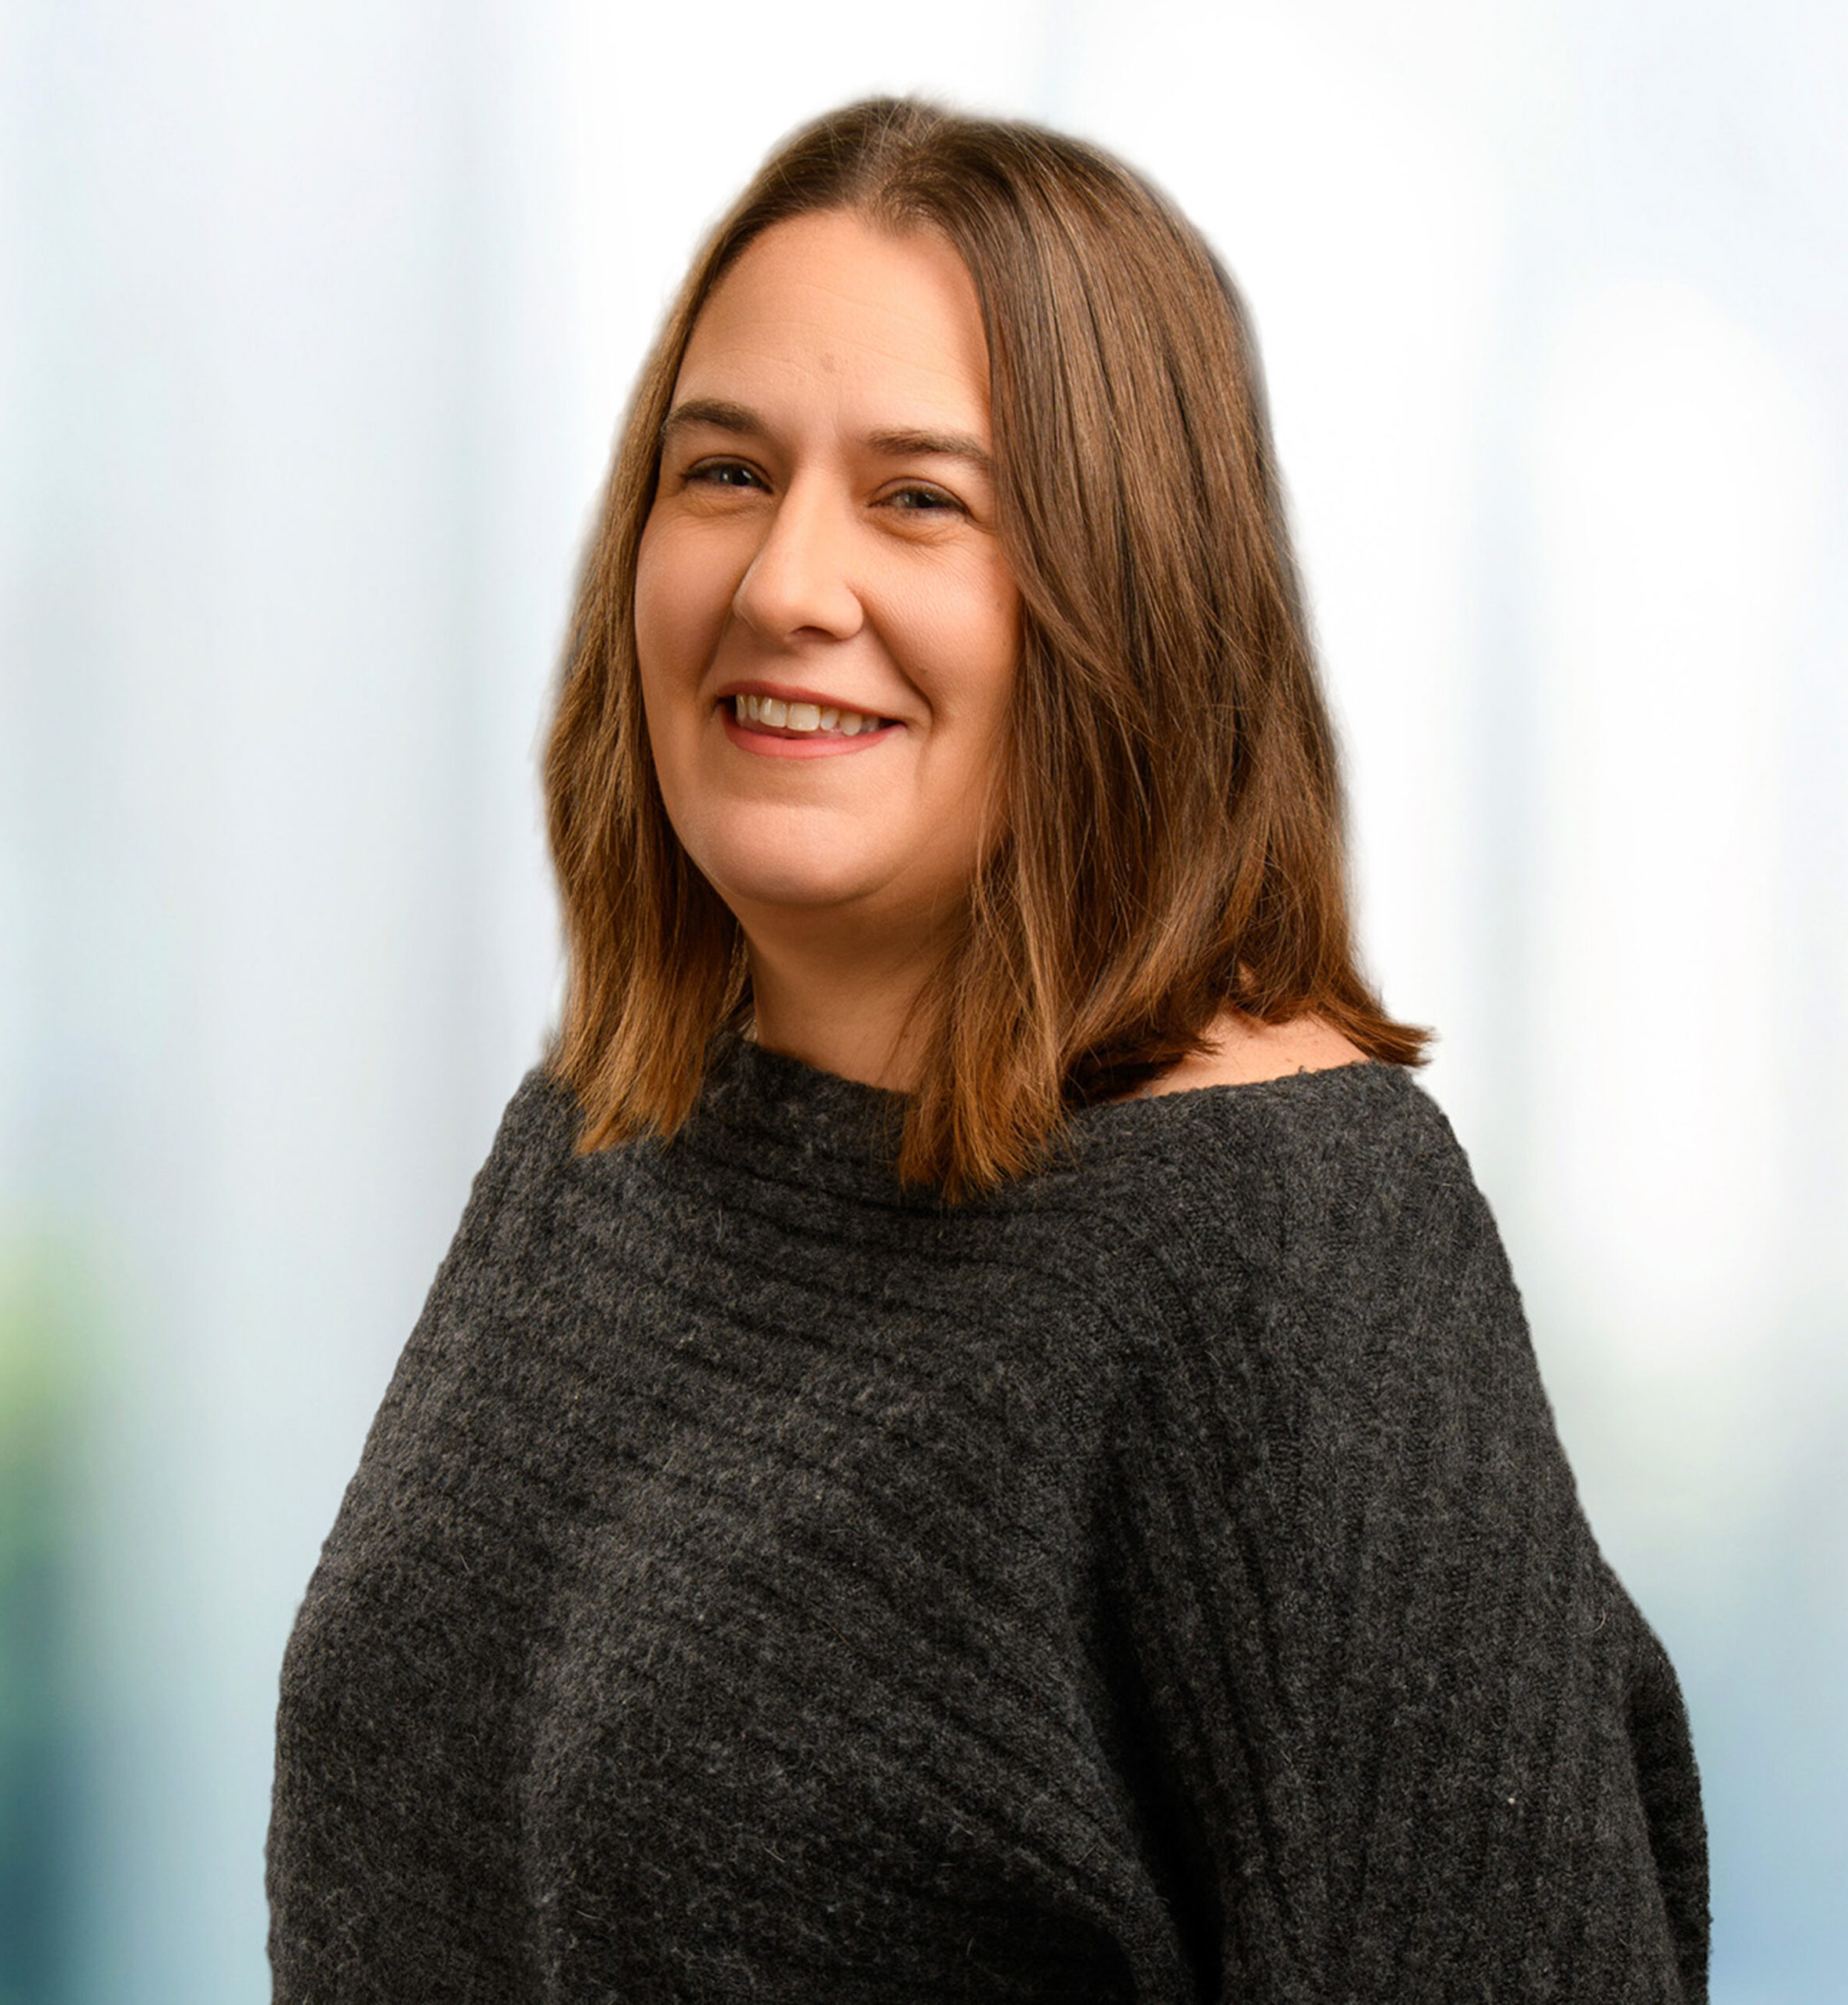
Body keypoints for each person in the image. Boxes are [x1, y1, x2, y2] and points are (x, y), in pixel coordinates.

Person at [266, 98, 1708, 2002]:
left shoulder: (1283, 1250)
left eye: (918, 497)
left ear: (1125, 598)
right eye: (722, 473)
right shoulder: (612, 1129)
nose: (784, 581)